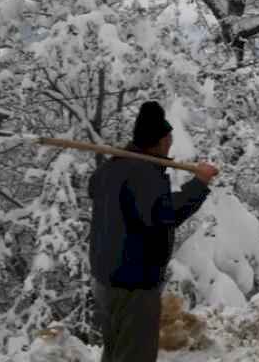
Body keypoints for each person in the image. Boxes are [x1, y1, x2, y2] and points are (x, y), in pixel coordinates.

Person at [88, 101, 219, 362]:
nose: (171, 142)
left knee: (115, 351)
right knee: (134, 354)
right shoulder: (142, 172)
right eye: (168, 137)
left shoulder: (111, 168)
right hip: (133, 283)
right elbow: (164, 214)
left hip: (105, 279)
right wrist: (200, 184)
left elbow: (94, 188)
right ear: (157, 141)